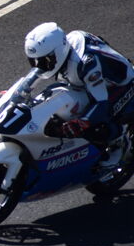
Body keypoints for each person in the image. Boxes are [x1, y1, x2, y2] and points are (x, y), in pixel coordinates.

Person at [24, 22, 134, 171]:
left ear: (58, 51)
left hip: (121, 86)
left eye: (45, 60)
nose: (40, 65)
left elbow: (101, 102)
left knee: (94, 126)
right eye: (35, 61)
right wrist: (19, 93)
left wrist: (83, 122)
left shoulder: (84, 63)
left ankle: (119, 143)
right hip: (91, 84)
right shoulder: (63, 48)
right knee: (57, 95)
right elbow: (37, 74)